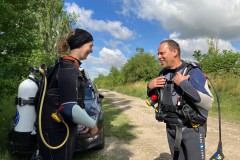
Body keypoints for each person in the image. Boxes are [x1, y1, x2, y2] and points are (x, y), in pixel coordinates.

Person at [147, 40, 213, 160]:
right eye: (158, 54)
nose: (159, 57)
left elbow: (208, 103)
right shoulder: (163, 73)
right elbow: (156, 98)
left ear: (174, 52)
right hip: (171, 129)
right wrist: (150, 86)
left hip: (192, 130)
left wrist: (184, 84)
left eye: (162, 53)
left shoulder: (192, 72)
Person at [38, 28, 98, 160]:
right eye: (90, 46)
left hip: (54, 133)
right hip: (58, 135)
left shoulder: (60, 66)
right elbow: (69, 108)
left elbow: (67, 101)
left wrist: (83, 120)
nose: (92, 50)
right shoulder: (68, 68)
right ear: (81, 43)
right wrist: (92, 124)